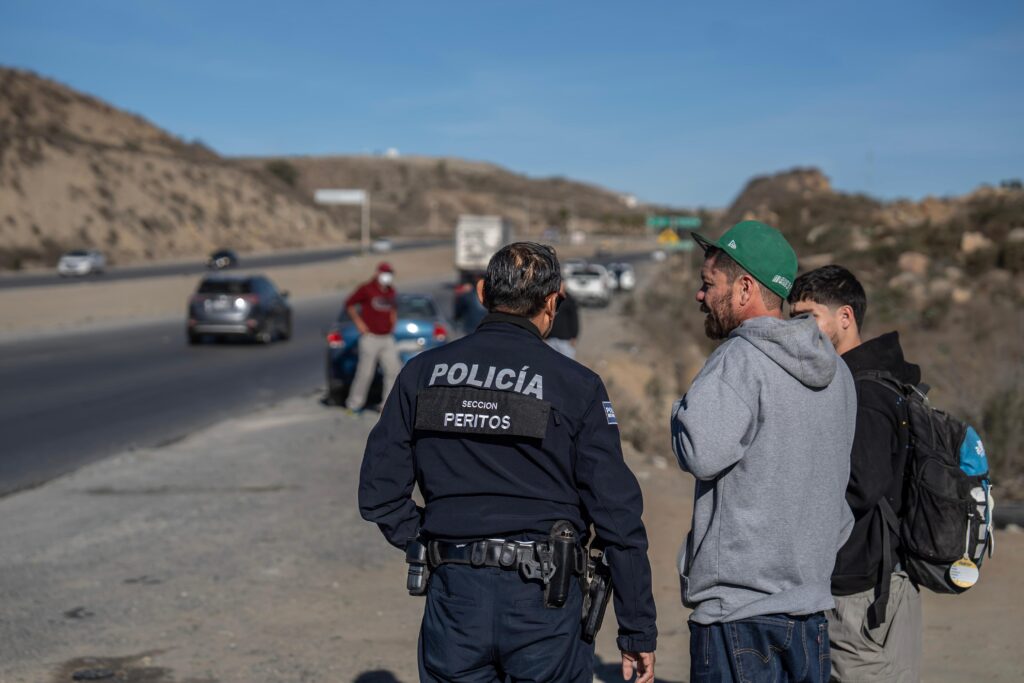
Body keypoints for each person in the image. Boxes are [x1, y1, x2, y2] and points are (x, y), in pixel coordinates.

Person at [359, 242, 657, 683]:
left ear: (482, 293)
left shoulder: (422, 373)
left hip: (455, 596)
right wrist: (636, 631)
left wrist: (431, 542)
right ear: (553, 301)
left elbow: (379, 493)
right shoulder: (576, 385)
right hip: (545, 604)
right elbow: (617, 515)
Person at [671, 220, 856, 683]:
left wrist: (679, 410)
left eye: (708, 284)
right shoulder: (838, 372)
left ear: (744, 288)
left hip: (740, 618)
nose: (700, 295)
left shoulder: (740, 360)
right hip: (810, 616)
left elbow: (700, 450)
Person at [789, 265, 922, 683]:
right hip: (868, 580)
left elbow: (862, 485)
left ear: (844, 317)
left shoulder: (862, 391)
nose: (797, 330)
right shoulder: (868, 382)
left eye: (807, 318)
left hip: (862, 589)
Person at [344, 262, 401, 413]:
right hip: (370, 338)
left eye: (389, 273)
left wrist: (392, 321)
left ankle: (387, 405)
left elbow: (393, 308)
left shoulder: (391, 291)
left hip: (387, 338)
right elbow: (349, 304)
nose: (387, 276)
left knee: (393, 371)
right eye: (385, 273)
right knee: (365, 373)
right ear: (377, 273)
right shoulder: (367, 289)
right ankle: (354, 404)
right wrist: (359, 323)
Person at [546, 286, 579, 358]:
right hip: (550, 338)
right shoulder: (549, 297)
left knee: (568, 363)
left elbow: (574, 318)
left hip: (565, 339)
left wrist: (574, 336)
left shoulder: (569, 299)